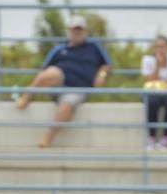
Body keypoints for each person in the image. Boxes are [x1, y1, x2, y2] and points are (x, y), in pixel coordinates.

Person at [15, 15, 111, 148]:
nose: (77, 33)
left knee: (68, 103)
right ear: (69, 31)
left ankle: (48, 137)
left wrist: (101, 75)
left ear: (85, 31)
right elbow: (44, 70)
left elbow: (107, 65)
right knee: (53, 72)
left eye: (79, 30)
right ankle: (27, 96)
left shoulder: (94, 47)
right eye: (74, 30)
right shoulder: (59, 49)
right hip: (58, 83)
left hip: (78, 88)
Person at [141, 35, 167, 150]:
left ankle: (166, 138)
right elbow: (149, 81)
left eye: (163, 46)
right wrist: (158, 66)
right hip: (152, 92)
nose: (160, 49)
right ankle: (151, 137)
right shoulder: (147, 60)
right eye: (157, 47)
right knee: (151, 102)